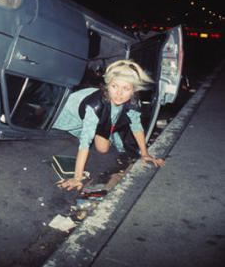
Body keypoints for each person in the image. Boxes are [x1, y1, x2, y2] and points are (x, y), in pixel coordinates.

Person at [52, 59, 165, 191]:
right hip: (73, 117)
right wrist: (77, 177)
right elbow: (85, 142)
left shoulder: (134, 102)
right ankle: (105, 132)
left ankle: (107, 133)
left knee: (103, 149)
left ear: (133, 91)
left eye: (126, 88)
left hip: (103, 117)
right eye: (114, 86)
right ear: (107, 86)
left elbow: (136, 125)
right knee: (90, 137)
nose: (119, 93)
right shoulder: (94, 106)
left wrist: (145, 153)